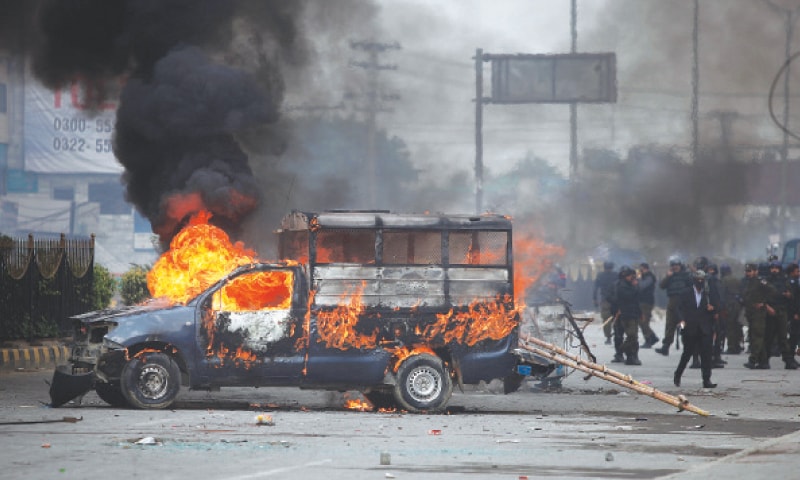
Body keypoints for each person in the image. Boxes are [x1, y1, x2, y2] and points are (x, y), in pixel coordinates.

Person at [673, 270, 719, 388]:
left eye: (702, 280)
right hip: (690, 327)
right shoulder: (685, 293)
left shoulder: (708, 294)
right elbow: (678, 308)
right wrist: (681, 320)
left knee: (706, 355)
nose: (700, 282)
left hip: (705, 328)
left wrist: (712, 308)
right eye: (698, 280)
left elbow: (718, 307)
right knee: (687, 354)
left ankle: (706, 379)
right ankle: (678, 374)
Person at [763, 260, 799, 370]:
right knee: (768, 337)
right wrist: (767, 307)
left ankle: (788, 360)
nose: (774, 270)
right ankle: (764, 361)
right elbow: (761, 296)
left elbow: (793, 297)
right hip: (770, 310)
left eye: (776, 268)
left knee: (783, 338)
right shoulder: (766, 281)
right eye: (772, 268)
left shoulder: (786, 281)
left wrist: (788, 295)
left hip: (782, 311)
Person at [742, 262, 776, 369]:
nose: (748, 273)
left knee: (757, 337)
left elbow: (773, 291)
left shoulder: (760, 281)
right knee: (754, 337)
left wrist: (764, 304)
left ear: (756, 271)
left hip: (759, 314)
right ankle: (763, 361)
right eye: (747, 271)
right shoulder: (748, 282)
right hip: (751, 314)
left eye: (750, 271)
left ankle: (753, 360)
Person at [655, 256, 692, 356]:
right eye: (673, 266)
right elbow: (662, 286)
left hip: (684, 304)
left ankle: (689, 347)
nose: (675, 267)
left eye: (677, 265)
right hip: (672, 302)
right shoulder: (670, 276)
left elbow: (692, 288)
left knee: (684, 325)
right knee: (670, 325)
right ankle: (665, 346)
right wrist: (668, 276)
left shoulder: (686, 275)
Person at [613, 265, 642, 365]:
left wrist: (640, 313)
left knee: (634, 337)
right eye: (631, 276)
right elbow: (628, 296)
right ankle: (621, 350)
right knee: (631, 336)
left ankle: (632, 356)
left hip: (633, 313)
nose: (632, 278)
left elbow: (637, 299)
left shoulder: (631, 285)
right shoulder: (621, 286)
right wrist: (635, 287)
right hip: (626, 314)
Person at [720, 263, 745, 354]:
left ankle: (731, 347)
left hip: (729, 305)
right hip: (737, 304)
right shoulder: (737, 279)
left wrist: (722, 307)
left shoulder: (724, 280)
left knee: (729, 326)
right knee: (737, 326)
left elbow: (722, 294)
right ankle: (737, 345)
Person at [593, 261, 617, 345]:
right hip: (615, 300)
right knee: (616, 318)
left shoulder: (600, 276)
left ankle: (608, 337)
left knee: (606, 319)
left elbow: (596, 288)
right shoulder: (616, 275)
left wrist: (595, 299)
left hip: (605, 300)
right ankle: (617, 334)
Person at [637, 262, 659, 348]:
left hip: (647, 302)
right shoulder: (644, 276)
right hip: (642, 301)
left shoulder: (649, 276)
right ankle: (651, 337)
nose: (640, 271)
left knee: (644, 322)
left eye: (641, 269)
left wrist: (638, 280)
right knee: (642, 322)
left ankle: (650, 338)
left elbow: (642, 286)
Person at [787, 263, 800, 363]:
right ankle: (789, 357)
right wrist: (795, 313)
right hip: (793, 313)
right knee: (793, 335)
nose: (799, 273)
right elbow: (794, 300)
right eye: (797, 271)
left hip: (793, 312)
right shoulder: (792, 283)